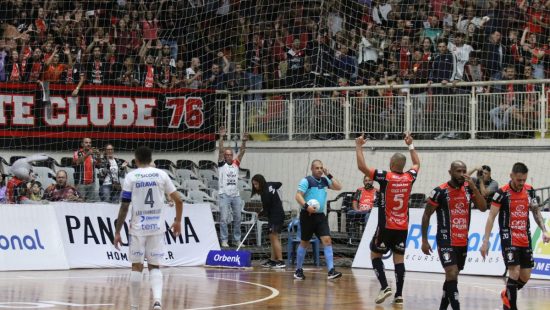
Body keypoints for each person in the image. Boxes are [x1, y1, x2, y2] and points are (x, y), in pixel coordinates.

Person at [113, 146, 183, 310]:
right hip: (156, 229)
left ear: (136, 160)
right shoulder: (162, 174)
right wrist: (178, 221)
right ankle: (157, 302)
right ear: (151, 159)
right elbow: (179, 201)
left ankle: (134, 306)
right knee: (154, 266)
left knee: (136, 266)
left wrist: (117, 231)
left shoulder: (131, 176)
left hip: (137, 229)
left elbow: (124, 206)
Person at [355, 133, 420, 306]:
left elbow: (362, 167)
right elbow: (416, 164)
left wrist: (359, 146)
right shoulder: (410, 177)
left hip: (386, 225)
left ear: (391, 164)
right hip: (403, 226)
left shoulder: (385, 177)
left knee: (374, 254)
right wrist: (410, 145)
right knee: (399, 259)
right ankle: (398, 295)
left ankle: (384, 287)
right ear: (403, 166)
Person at [481, 162, 550, 310]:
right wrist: (485, 241)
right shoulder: (502, 193)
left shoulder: (529, 191)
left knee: (525, 276)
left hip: (524, 237)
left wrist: (544, 230)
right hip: (509, 237)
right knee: (514, 271)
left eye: (524, 180)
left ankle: (506, 294)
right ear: (511, 176)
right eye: (519, 180)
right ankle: (511, 307)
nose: (521, 183)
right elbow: (491, 216)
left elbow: (536, 211)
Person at [421, 161, 487, 310]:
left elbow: (483, 208)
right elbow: (426, 216)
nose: (462, 174)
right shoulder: (440, 192)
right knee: (452, 272)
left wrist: (474, 187)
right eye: (458, 171)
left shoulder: (469, 189)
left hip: (462, 240)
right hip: (445, 239)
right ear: (450, 172)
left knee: (452, 277)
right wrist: (424, 240)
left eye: (464, 171)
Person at [294, 159, 343, 280]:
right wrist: (307, 206)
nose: (320, 170)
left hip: (320, 216)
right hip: (307, 215)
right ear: (312, 169)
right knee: (304, 243)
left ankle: (331, 271)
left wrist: (329, 175)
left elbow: (338, 187)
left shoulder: (325, 180)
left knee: (327, 240)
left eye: (321, 168)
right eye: (317, 168)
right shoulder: (306, 181)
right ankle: (298, 270)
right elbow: (298, 195)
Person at [218, 126, 248, 247]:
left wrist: (244, 141)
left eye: (230, 154)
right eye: (227, 155)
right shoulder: (221, 164)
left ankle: (237, 240)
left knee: (238, 218)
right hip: (224, 195)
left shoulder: (236, 163)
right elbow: (220, 150)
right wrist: (221, 137)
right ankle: (224, 240)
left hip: (235, 195)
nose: (229, 156)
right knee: (224, 219)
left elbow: (242, 152)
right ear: (225, 156)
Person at [251, 174, 285, 269]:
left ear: (261, 182)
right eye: (254, 184)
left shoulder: (264, 194)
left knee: (274, 237)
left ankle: (281, 261)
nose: (255, 186)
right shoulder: (270, 184)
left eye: (256, 184)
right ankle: (273, 260)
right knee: (272, 237)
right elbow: (279, 183)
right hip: (277, 214)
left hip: (276, 216)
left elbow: (266, 210)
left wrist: (259, 214)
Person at [347, 175, 379, 245]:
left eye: (369, 180)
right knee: (350, 212)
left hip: (370, 213)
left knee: (368, 215)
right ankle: (350, 238)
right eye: (366, 180)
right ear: (363, 182)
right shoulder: (359, 190)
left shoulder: (377, 191)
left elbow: (379, 204)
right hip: (360, 212)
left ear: (372, 181)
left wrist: (372, 210)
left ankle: (367, 238)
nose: (368, 182)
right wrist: (356, 209)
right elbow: (355, 201)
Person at [73, 137, 100, 202]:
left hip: (92, 184)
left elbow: (98, 164)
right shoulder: (77, 153)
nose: (88, 144)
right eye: (86, 142)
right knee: (81, 204)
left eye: (90, 143)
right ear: (82, 144)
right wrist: (88, 154)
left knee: (90, 204)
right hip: (81, 184)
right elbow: (77, 162)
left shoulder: (93, 154)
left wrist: (99, 156)